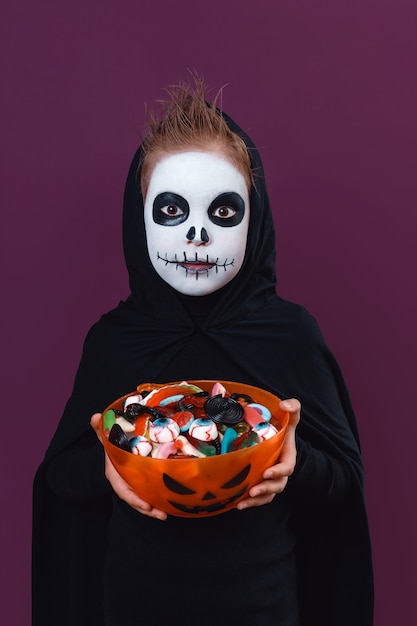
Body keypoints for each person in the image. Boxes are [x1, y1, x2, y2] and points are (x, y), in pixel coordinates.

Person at [32, 79, 374, 626]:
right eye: (171, 210)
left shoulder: (289, 335)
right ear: (138, 217)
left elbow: (345, 481)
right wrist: (108, 463)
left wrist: (296, 460)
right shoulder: (115, 339)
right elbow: (58, 478)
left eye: (222, 212)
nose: (196, 235)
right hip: (136, 605)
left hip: (262, 606)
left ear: (254, 222)